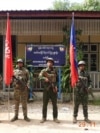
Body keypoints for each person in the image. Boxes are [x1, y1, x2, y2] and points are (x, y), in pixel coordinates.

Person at [39, 57, 60, 123]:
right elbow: (39, 77)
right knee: (45, 104)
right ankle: (44, 117)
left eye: (51, 62)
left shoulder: (55, 71)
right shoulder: (44, 71)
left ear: (53, 63)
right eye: (48, 62)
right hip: (46, 90)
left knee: (55, 104)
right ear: (47, 63)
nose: (49, 63)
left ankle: (55, 118)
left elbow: (57, 80)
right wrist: (44, 78)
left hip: (53, 90)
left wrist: (56, 86)